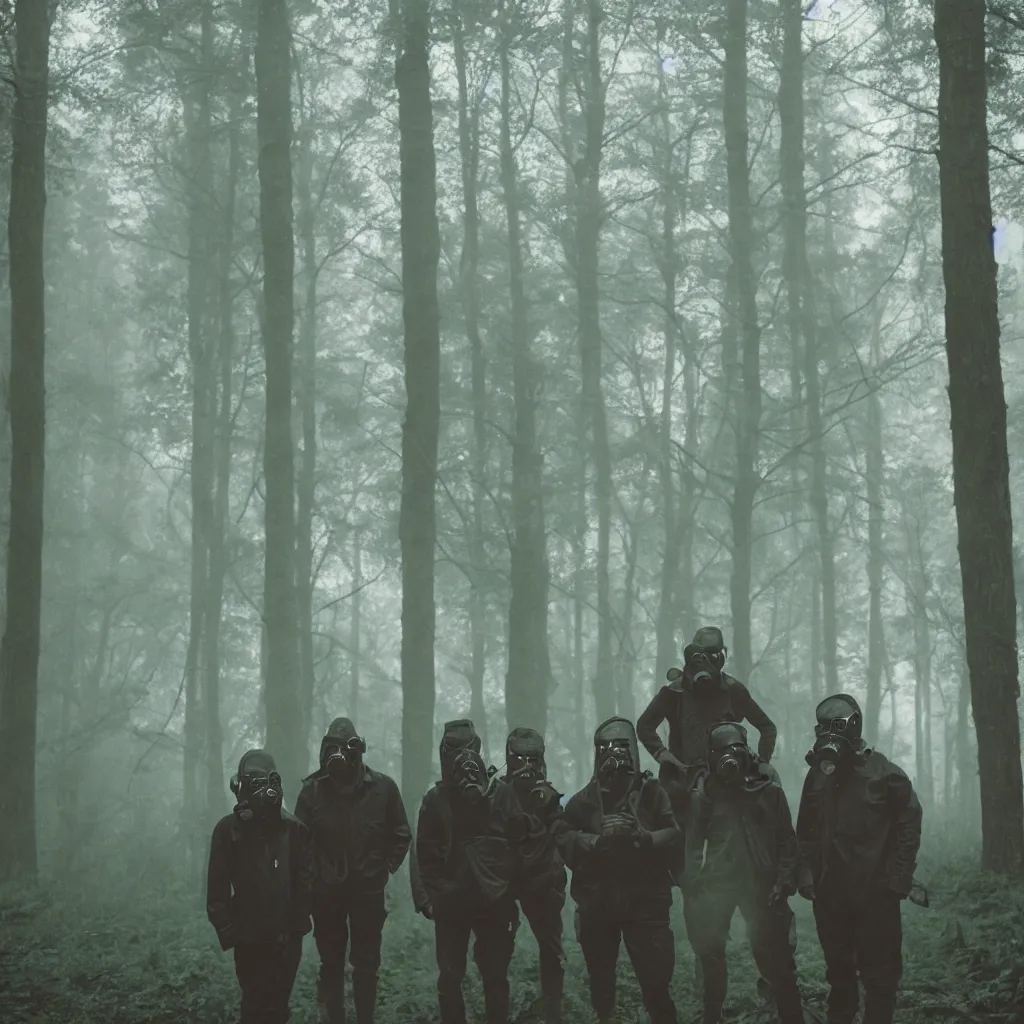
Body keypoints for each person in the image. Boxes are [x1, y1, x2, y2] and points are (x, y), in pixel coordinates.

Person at [796, 694, 922, 1024]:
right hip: (831, 895)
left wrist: (897, 880)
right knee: (839, 973)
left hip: (875, 896)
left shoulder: (886, 775)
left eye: (836, 727)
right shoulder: (819, 776)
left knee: (880, 978)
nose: (829, 735)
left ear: (854, 727)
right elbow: (805, 830)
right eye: (823, 728)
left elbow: (909, 826)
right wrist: (807, 873)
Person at [559, 717, 682, 1024]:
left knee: (656, 983)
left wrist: (645, 838)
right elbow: (563, 839)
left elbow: (673, 830)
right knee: (602, 984)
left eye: (621, 748)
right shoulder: (582, 801)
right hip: (597, 901)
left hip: (646, 899)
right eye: (607, 750)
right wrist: (596, 842)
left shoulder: (652, 793)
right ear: (598, 755)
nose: (614, 757)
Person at [681, 723, 804, 1024]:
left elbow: (787, 841)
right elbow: (693, 844)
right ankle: (712, 1016)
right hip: (718, 882)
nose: (730, 758)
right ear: (712, 757)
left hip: (761, 884)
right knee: (711, 954)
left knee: (775, 957)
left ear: (746, 752)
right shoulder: (705, 793)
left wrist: (784, 881)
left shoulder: (768, 789)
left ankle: (791, 1017)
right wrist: (692, 883)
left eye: (735, 749)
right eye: (722, 752)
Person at [294, 717, 411, 1024]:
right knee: (331, 962)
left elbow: (401, 833)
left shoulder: (383, 788)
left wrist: (383, 868)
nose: (341, 757)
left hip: (367, 892)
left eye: (348, 748)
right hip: (325, 894)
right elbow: (298, 845)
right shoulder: (312, 791)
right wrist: (311, 884)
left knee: (367, 964)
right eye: (333, 748)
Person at [416, 719, 527, 1024]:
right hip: (453, 904)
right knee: (451, 977)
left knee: (495, 976)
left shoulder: (501, 794)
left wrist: (511, 894)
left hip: (494, 902)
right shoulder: (436, 800)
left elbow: (519, 847)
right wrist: (436, 896)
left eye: (469, 750)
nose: (463, 758)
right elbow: (424, 854)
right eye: (455, 750)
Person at [206, 749, 313, 1024]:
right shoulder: (228, 831)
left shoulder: (294, 830)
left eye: (262, 781)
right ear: (239, 785)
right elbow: (216, 891)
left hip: (286, 938)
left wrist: (297, 931)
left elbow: (304, 886)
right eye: (250, 781)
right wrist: (230, 932)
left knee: (278, 1008)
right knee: (254, 1007)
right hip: (249, 938)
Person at [637, 626, 778, 825]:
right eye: (700, 655)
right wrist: (662, 754)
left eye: (712, 655)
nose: (706, 662)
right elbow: (644, 726)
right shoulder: (674, 692)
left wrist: (763, 762)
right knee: (677, 841)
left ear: (721, 657)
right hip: (681, 782)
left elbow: (767, 727)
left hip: (726, 782)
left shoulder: (732, 690)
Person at [502, 727, 567, 1024]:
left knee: (552, 953)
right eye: (519, 758)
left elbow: (562, 837)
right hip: (504, 883)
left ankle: (554, 1011)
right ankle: (498, 1010)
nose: (526, 765)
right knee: (496, 955)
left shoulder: (548, 797)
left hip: (541, 883)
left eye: (532, 758)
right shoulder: (498, 795)